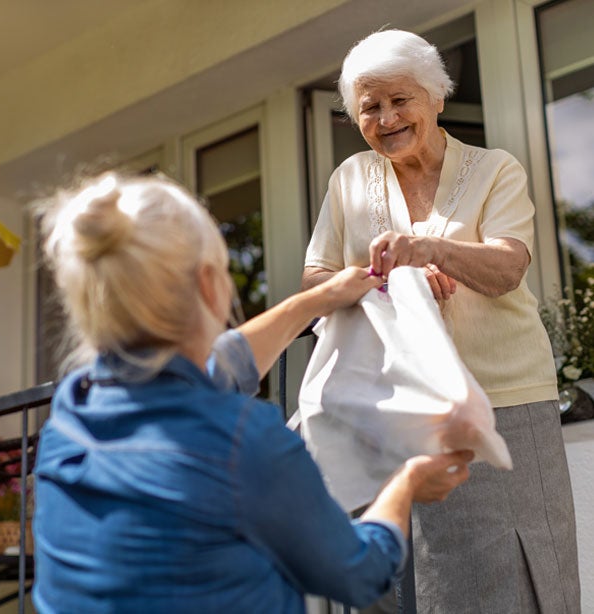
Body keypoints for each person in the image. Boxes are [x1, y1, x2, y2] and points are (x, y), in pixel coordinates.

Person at [31, 171, 473, 613]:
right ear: (209, 284)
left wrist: (318, 299)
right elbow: (359, 573)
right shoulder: (241, 437)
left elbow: (216, 366)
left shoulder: (72, 409)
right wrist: (405, 480)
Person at [302, 29, 580, 613]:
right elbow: (315, 284)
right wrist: (390, 283)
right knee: (412, 582)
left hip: (505, 401)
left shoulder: (494, 170)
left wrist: (430, 251)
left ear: (436, 98)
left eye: (400, 100)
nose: (386, 118)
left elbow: (507, 268)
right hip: (388, 408)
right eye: (369, 107)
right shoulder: (349, 180)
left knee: (514, 571)